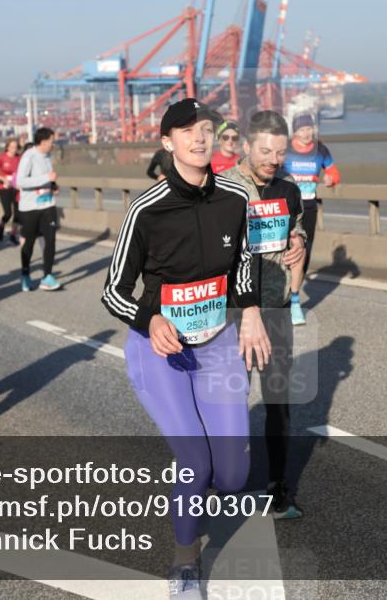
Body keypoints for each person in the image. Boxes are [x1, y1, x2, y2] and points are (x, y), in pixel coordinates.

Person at [101, 98, 270, 598]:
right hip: (161, 350)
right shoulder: (146, 209)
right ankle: (184, 563)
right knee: (195, 462)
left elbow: (242, 265)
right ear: (167, 141)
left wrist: (253, 311)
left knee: (234, 475)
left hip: (217, 342)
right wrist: (148, 317)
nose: (200, 138)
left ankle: (193, 493)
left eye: (206, 129)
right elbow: (113, 289)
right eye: (187, 131)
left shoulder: (234, 199)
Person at [221, 110, 307, 519]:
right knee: (228, 402)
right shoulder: (222, 187)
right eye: (265, 151)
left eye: (280, 152)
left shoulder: (289, 188)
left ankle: (278, 489)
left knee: (278, 402)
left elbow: (298, 231)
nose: (273, 159)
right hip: (231, 313)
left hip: (274, 309)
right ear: (247, 146)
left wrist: (298, 246)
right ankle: (218, 482)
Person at [283, 113, 341, 325]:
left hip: (308, 207)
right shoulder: (285, 150)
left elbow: (334, 172)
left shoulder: (321, 150)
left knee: (303, 252)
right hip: (286, 208)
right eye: (302, 129)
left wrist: (330, 178)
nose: (307, 133)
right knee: (283, 252)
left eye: (309, 129)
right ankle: (285, 295)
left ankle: (294, 299)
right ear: (295, 132)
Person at [15, 127, 62, 292]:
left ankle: (47, 276)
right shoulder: (29, 156)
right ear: (43, 142)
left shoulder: (47, 156)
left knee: (50, 240)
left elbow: (47, 178)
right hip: (30, 208)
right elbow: (19, 181)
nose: (53, 144)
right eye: (51, 141)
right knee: (28, 243)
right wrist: (46, 178)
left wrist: (53, 185)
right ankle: (25, 274)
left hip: (47, 205)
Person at [0, 138, 21, 244]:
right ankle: (1, 226)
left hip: (16, 188)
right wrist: (4, 179)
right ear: (7, 147)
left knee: (18, 214)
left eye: (16, 147)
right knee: (8, 213)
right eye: (12, 147)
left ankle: (13, 235)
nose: (14, 149)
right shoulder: (1, 158)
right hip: (4, 188)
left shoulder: (19, 158)